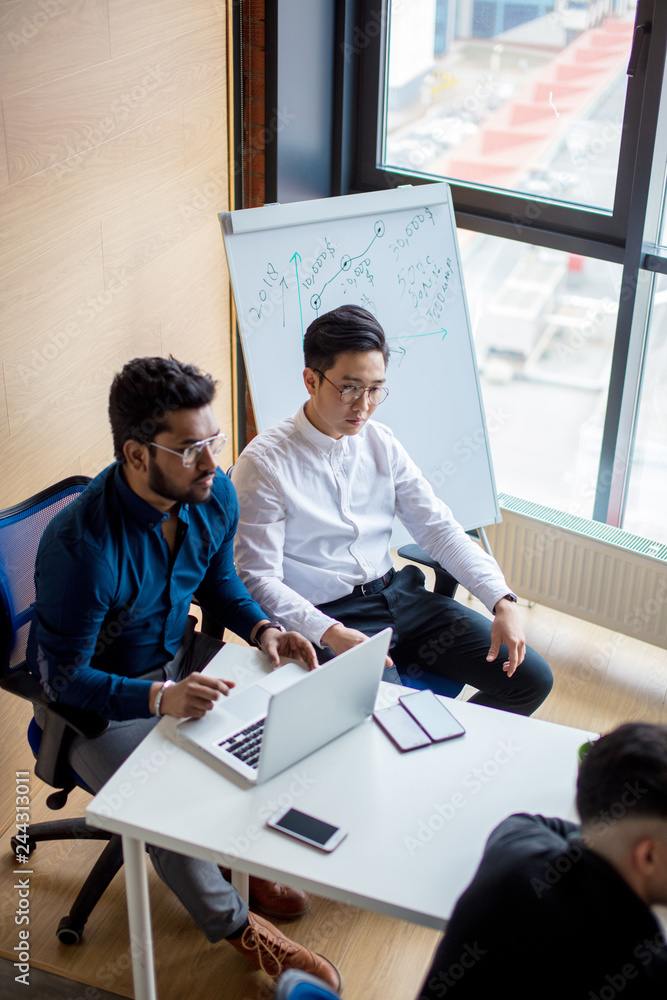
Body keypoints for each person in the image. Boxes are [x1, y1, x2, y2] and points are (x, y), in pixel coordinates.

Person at [26, 356, 340, 990]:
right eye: (190, 448)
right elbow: (61, 680)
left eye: (212, 440)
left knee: (275, 733)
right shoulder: (81, 548)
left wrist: (264, 630)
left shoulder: (210, 493)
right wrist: (159, 698)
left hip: (179, 669)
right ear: (136, 456)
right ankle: (237, 927)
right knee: (168, 808)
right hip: (97, 710)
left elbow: (218, 580)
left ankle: (232, 858)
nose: (210, 462)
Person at [231, 304, 552, 715]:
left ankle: (458, 760)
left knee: (530, 680)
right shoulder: (264, 463)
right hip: (328, 614)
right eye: (350, 388)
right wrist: (329, 632)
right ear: (311, 380)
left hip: (398, 597)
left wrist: (501, 600)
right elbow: (258, 580)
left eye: (375, 388)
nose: (364, 405)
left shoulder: (380, 442)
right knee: (392, 720)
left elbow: (438, 529)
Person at [418, 721, 667, 999]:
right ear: (649, 855)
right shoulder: (649, 970)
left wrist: (604, 839)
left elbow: (525, 821)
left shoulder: (516, 853)